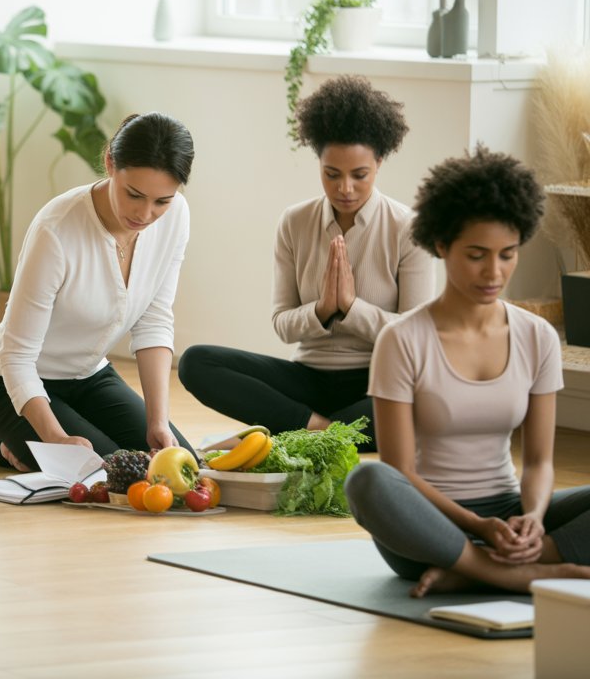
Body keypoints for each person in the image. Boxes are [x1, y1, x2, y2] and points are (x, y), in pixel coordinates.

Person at [345, 146, 590, 595]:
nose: (494, 272)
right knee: (367, 480)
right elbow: (400, 469)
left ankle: (512, 563)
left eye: (507, 254)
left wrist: (533, 520)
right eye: (477, 255)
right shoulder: (401, 340)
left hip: (509, 511)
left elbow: (539, 462)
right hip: (427, 525)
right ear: (442, 246)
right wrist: (477, 526)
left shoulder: (537, 336)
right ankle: (506, 572)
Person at [179, 75, 432, 451]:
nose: (345, 188)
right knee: (195, 362)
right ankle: (322, 434)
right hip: (307, 380)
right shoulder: (295, 221)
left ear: (379, 162)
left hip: (377, 382)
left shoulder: (408, 228)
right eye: (332, 174)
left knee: (426, 394)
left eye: (359, 175)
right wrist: (324, 309)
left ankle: (292, 432)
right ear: (319, 162)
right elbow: (283, 324)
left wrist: (351, 308)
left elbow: (416, 338)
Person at [0, 112, 198, 472]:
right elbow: (16, 357)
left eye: (162, 201)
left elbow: (154, 321)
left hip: (90, 378)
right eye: (134, 194)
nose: (145, 214)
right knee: (110, 474)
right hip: (8, 384)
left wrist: (157, 422)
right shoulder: (56, 229)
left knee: (181, 467)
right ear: (110, 163)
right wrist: (56, 439)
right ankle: (6, 436)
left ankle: (20, 445)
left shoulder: (176, 217)